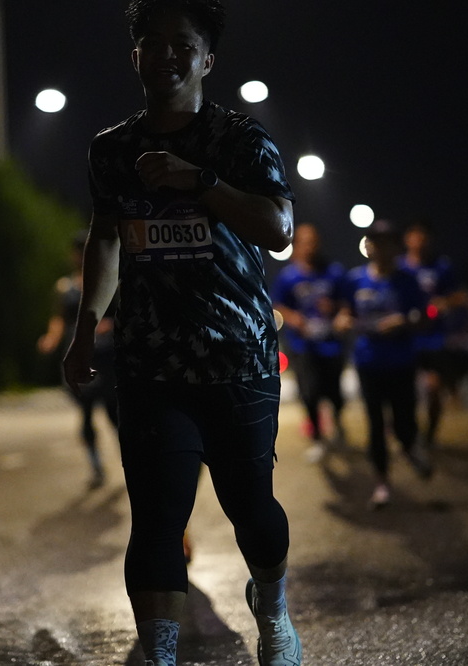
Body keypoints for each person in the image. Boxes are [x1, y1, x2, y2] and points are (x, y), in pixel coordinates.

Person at [62, 2, 302, 664]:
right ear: (135, 55)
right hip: (149, 362)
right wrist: (84, 331)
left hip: (237, 358)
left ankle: (273, 610)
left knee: (252, 510)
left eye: (183, 43)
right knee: (157, 519)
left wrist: (198, 182)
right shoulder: (111, 149)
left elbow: (278, 229)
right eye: (153, 41)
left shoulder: (239, 141)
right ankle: (161, 655)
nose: (167, 54)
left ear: (206, 59)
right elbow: (105, 239)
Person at [335, 220, 432, 509]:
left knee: (404, 423)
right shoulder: (355, 279)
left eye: (388, 242)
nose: (381, 248)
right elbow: (344, 313)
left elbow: (424, 316)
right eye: (376, 242)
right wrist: (342, 321)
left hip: (401, 362)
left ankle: (410, 446)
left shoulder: (407, 280)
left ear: (395, 247)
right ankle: (381, 483)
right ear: (369, 246)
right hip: (368, 363)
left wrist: (404, 320)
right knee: (375, 425)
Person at [38, 231, 118, 489]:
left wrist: (110, 324)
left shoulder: (109, 280)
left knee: (114, 413)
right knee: (85, 411)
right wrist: (51, 339)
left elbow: (124, 312)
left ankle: (127, 459)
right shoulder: (65, 287)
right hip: (79, 354)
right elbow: (59, 318)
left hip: (105, 354)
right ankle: (96, 465)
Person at [271, 223, 347, 463]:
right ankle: (318, 438)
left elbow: (346, 303)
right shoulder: (288, 276)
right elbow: (278, 305)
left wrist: (336, 310)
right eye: (304, 242)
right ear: (297, 245)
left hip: (330, 343)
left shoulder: (333, 272)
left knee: (334, 391)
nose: (309, 247)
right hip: (302, 346)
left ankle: (338, 422)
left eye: (313, 241)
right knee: (309, 392)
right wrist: (294, 318)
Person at [399, 220, 468, 448]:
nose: (419, 242)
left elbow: (461, 296)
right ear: (407, 239)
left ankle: (429, 434)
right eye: (414, 236)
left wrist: (443, 303)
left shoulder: (442, 267)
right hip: (405, 338)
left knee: (433, 388)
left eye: (423, 237)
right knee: (402, 390)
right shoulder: (399, 267)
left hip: (433, 338)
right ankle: (406, 431)